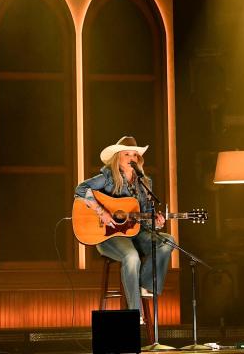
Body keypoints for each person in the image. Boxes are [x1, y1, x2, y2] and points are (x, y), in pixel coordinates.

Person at [75, 135, 174, 316]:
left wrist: (156, 222)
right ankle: (135, 314)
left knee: (168, 241)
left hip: (135, 233)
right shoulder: (107, 178)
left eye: (134, 155)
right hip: (109, 236)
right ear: (117, 157)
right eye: (126, 154)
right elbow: (80, 190)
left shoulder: (144, 182)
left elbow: (144, 215)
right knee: (131, 256)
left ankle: (145, 285)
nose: (131, 158)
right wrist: (101, 211)